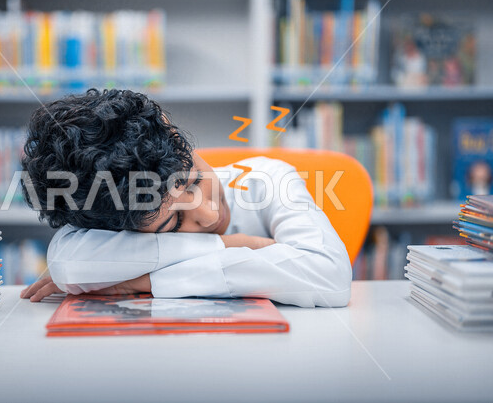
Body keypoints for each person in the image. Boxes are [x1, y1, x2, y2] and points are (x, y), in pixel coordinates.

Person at [19, 88, 352, 307]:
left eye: (192, 181)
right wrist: (233, 244)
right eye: (173, 223)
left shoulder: (267, 179)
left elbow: (331, 276)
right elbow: (67, 264)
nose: (208, 215)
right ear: (120, 231)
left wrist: (144, 281)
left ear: (175, 134)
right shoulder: (116, 214)